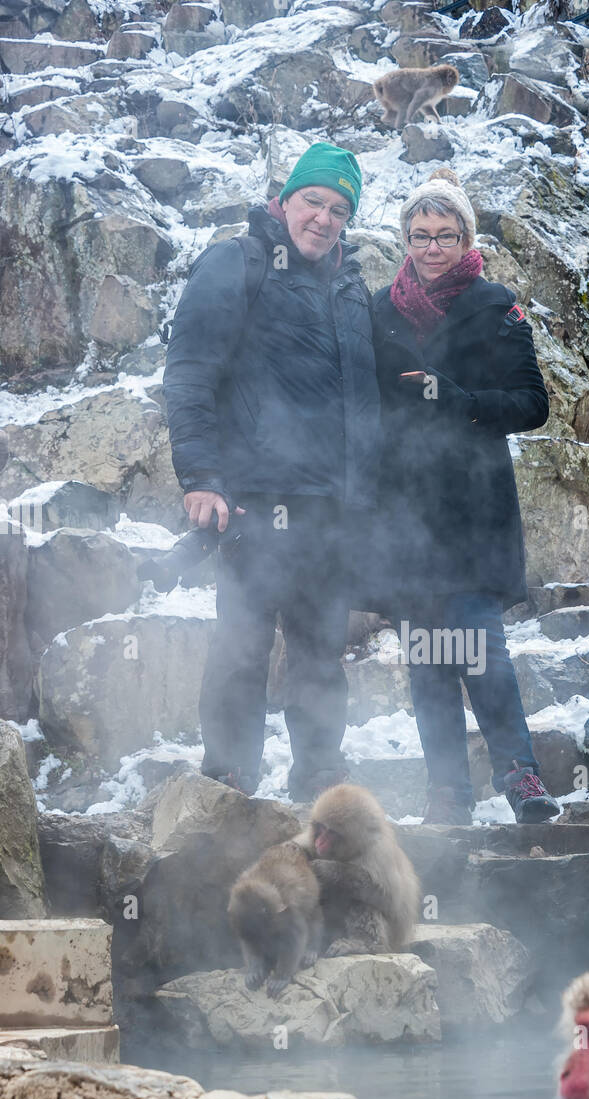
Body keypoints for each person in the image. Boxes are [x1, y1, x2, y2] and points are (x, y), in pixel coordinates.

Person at [163, 143, 380, 800]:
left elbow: (362, 402)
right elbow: (190, 372)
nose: (324, 217)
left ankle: (319, 783)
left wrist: (366, 497)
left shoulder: (350, 289)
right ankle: (229, 784)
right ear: (284, 199)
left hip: (330, 508)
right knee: (242, 648)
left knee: (319, 655)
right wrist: (201, 475)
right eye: (313, 200)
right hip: (252, 499)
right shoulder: (238, 261)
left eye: (339, 209)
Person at [370, 169, 559, 826]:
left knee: (478, 642)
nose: (431, 248)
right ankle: (447, 794)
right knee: (427, 659)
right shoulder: (378, 310)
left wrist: (457, 401)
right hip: (405, 514)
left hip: (475, 509)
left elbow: (533, 404)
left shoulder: (494, 305)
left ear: (464, 237)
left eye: (445, 235)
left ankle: (519, 774)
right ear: (404, 238)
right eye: (420, 235)